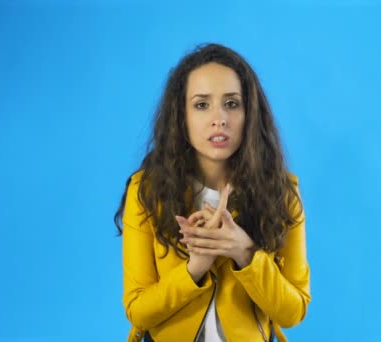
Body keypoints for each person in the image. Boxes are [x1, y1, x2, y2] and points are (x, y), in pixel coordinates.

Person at [114, 43, 310, 342]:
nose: (219, 118)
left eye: (232, 103)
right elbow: (138, 311)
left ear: (249, 113)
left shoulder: (281, 193)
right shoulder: (147, 191)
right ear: (182, 117)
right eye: (202, 104)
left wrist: (244, 252)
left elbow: (292, 312)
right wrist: (195, 268)